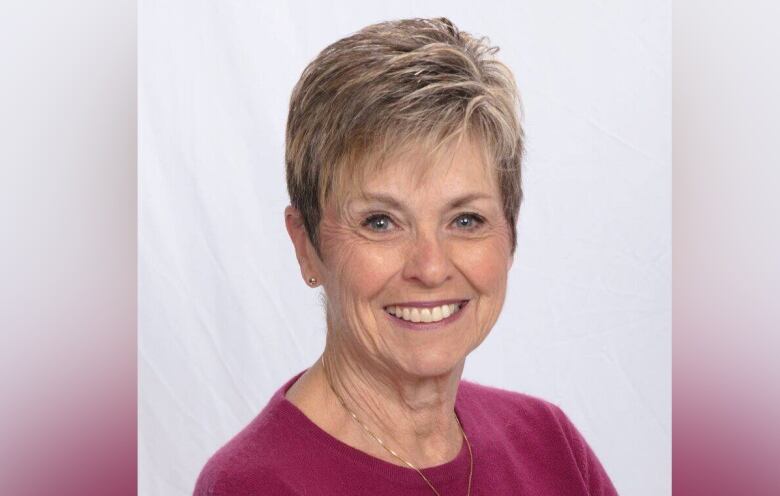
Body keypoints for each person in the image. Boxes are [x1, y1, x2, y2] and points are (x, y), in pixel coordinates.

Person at [194, 17, 618, 495]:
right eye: (380, 222)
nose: (431, 267)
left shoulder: (548, 443)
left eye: (465, 220)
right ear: (306, 246)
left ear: (510, 234)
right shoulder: (253, 485)